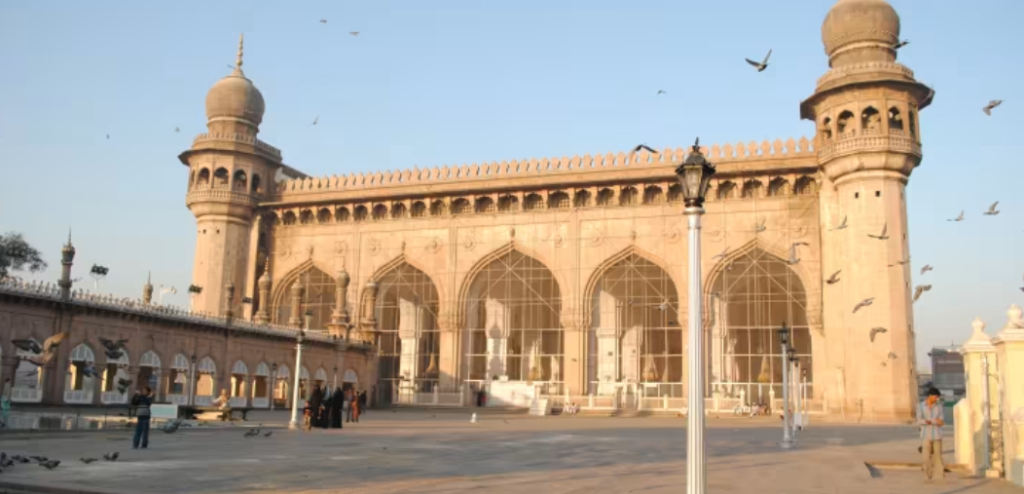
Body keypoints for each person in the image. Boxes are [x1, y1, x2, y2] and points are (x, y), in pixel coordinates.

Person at [918, 387, 945, 482]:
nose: (936, 399)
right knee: (925, 456)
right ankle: (928, 473)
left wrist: (929, 421)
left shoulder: (939, 406)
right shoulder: (920, 406)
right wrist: (933, 421)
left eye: (937, 397)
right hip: (925, 435)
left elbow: (941, 421)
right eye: (935, 397)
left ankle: (939, 475)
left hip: (937, 435)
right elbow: (919, 420)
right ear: (930, 396)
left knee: (938, 455)